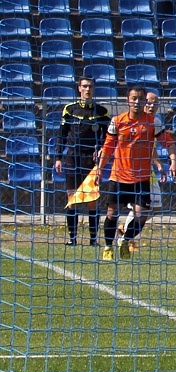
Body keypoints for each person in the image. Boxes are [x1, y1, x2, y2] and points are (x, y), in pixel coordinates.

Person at [95, 87, 165, 260]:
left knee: (142, 216)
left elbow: (167, 141)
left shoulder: (152, 122)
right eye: (133, 98)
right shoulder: (118, 121)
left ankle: (125, 240)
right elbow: (108, 147)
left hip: (141, 178)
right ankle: (108, 246)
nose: (137, 102)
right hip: (118, 176)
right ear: (128, 100)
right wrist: (99, 169)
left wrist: (172, 159)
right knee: (112, 213)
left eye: (140, 99)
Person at [54, 77, 111, 246]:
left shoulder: (101, 111)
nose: (88, 89)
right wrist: (58, 158)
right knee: (72, 199)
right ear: (79, 88)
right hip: (72, 157)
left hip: (91, 160)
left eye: (91, 86)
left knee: (92, 199)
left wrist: (100, 149)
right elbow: (62, 135)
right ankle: (72, 239)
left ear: (94, 89)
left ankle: (93, 240)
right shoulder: (70, 109)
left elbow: (108, 136)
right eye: (85, 86)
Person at [119, 91, 176, 244]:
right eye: (149, 102)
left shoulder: (154, 122)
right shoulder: (136, 122)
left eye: (155, 103)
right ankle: (126, 237)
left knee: (151, 208)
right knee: (141, 208)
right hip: (132, 173)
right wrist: (159, 164)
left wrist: (161, 164)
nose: (152, 106)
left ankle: (125, 231)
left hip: (147, 172)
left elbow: (152, 148)